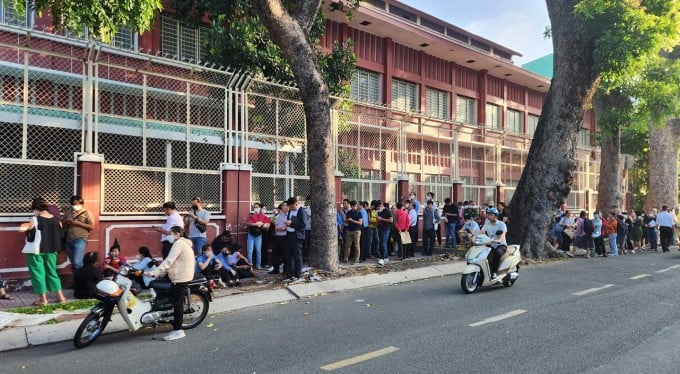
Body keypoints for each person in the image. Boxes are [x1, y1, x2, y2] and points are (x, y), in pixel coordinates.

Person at [145, 226, 195, 341]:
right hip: (181, 275)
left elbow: (169, 260)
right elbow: (172, 262)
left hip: (180, 277)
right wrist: (159, 273)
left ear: (177, 234)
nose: (169, 236)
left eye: (170, 234)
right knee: (172, 298)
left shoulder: (179, 244)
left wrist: (154, 272)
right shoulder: (184, 243)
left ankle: (178, 330)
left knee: (177, 304)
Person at [25, 197, 67, 306]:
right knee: (52, 272)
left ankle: (43, 300)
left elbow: (29, 235)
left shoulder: (35, 220)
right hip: (52, 250)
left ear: (36, 208)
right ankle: (61, 297)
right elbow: (61, 234)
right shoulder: (57, 219)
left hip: (37, 250)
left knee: (38, 273)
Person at [62, 195, 94, 276]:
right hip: (68, 240)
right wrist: (66, 222)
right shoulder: (68, 213)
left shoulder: (87, 213)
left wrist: (78, 223)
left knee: (77, 262)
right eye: (73, 204)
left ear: (82, 204)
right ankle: (76, 282)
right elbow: (61, 224)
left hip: (80, 239)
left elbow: (91, 226)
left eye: (77, 204)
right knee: (74, 263)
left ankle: (82, 281)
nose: (75, 206)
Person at [477, 207, 507, 280]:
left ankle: (494, 272)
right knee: (483, 254)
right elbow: (481, 232)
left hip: (501, 245)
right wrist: (475, 237)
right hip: (491, 244)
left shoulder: (501, 224)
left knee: (497, 253)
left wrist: (499, 240)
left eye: (491, 215)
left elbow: (503, 234)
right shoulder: (487, 224)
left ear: (495, 216)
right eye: (488, 215)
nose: (488, 216)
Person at [284, 197, 306, 281]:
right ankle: (289, 273)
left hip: (297, 236)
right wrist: (287, 223)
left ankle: (297, 274)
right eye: (289, 207)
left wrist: (291, 223)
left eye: (292, 207)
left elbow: (303, 225)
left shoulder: (301, 211)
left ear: (296, 204)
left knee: (297, 256)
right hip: (289, 234)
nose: (291, 208)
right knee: (288, 255)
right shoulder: (290, 210)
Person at [245, 203, 270, 270]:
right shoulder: (251, 216)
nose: (256, 208)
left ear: (260, 208)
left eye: (257, 207)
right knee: (250, 250)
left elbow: (267, 227)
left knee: (258, 250)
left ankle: (258, 265)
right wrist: (255, 224)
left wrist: (262, 225)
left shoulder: (263, 217)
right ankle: (250, 265)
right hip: (251, 234)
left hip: (259, 235)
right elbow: (247, 223)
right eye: (255, 207)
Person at [270, 201, 289, 275]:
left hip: (285, 237)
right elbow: (276, 227)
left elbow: (288, 226)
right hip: (278, 237)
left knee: (286, 254)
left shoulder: (289, 215)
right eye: (283, 205)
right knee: (275, 254)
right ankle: (276, 269)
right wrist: (280, 228)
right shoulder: (279, 216)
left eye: (286, 205)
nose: (285, 207)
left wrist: (283, 228)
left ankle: (286, 270)